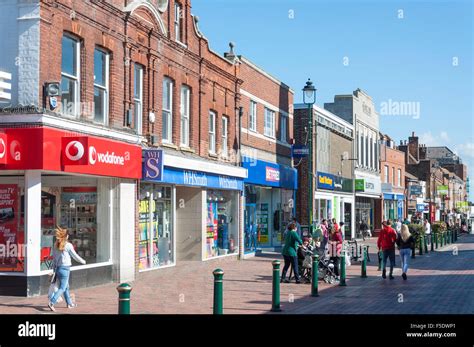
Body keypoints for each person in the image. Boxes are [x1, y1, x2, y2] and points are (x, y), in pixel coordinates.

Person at [48, 227, 86, 312]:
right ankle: (52, 302)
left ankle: (69, 303)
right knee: (62, 287)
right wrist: (83, 261)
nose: (68, 236)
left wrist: (54, 269)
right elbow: (75, 256)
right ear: (66, 237)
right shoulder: (68, 245)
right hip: (65, 269)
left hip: (58, 268)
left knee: (66, 287)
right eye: (68, 235)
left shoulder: (55, 244)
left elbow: (54, 258)